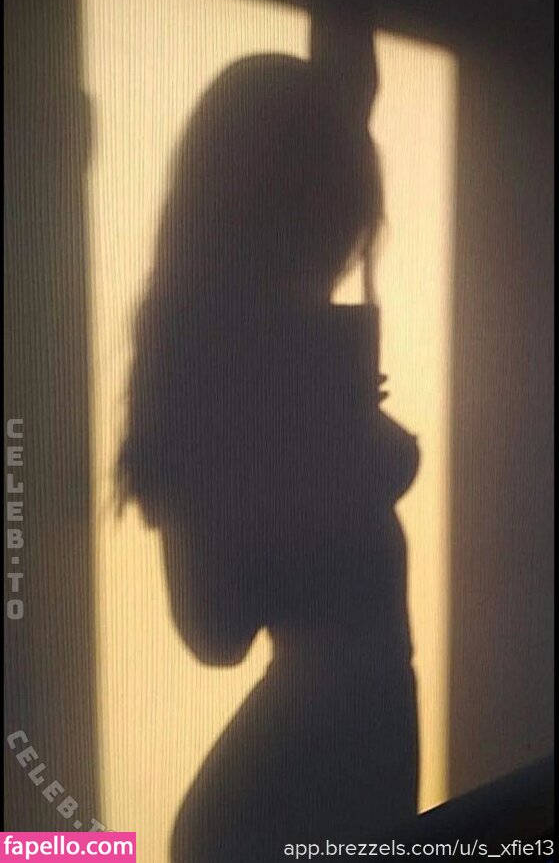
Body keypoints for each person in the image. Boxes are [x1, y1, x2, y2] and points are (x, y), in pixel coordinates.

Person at [119, 46, 420, 861]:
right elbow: (214, 630)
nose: (342, 247)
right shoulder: (212, 382)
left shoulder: (291, 359)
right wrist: (299, 448)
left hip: (331, 775)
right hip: (282, 802)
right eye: (323, 218)